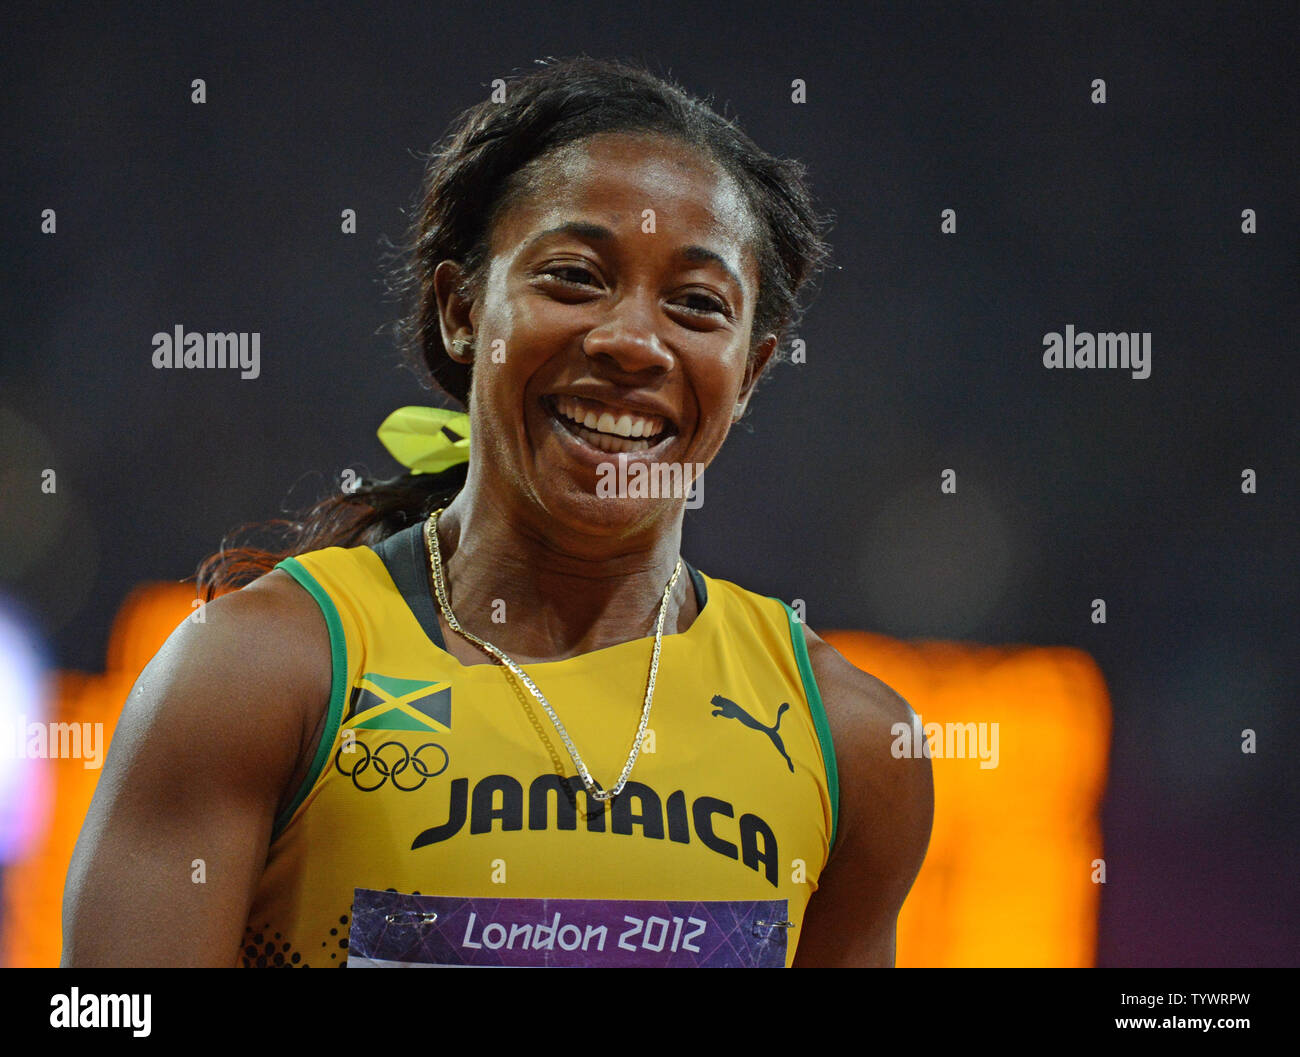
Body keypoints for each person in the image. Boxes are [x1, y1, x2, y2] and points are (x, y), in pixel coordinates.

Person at [61, 56, 932, 968]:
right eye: (573, 277)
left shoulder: (850, 743)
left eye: (697, 304)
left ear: (750, 370)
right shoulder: (262, 674)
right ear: (460, 309)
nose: (634, 340)